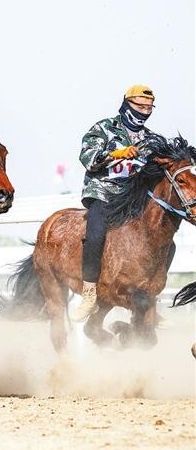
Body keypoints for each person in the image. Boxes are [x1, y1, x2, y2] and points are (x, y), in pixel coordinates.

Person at [72, 84, 157, 321]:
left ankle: (151, 298)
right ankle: (89, 293)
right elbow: (88, 159)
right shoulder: (103, 128)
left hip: (135, 199)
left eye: (149, 108)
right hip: (104, 194)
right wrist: (116, 154)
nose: (145, 111)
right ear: (127, 104)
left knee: (165, 239)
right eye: (140, 106)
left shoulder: (151, 139)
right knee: (95, 235)